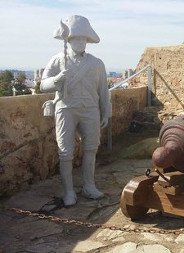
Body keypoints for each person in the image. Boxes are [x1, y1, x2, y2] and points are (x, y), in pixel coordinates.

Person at [40, 15, 111, 206]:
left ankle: (89, 186)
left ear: (87, 41)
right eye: (76, 38)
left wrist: (106, 112)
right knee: (65, 152)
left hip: (90, 110)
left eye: (83, 39)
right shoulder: (58, 60)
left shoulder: (97, 63)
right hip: (66, 108)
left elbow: (103, 91)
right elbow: (43, 85)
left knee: (91, 149)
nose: (80, 42)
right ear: (68, 40)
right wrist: (56, 80)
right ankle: (69, 191)